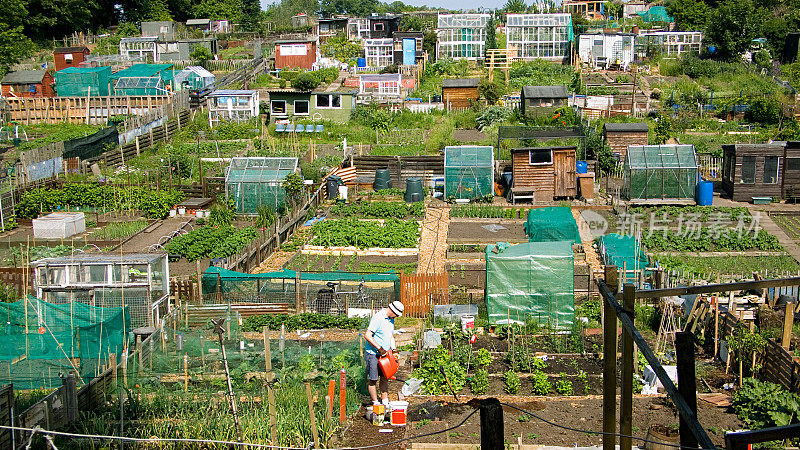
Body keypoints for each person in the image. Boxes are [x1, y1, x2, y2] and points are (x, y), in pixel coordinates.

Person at [364, 300, 404, 407]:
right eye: (396, 314)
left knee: (385, 377)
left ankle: (385, 401)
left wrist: (394, 349)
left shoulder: (391, 319)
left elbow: (390, 335)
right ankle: (375, 402)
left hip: (385, 355)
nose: (396, 317)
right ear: (392, 310)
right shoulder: (378, 317)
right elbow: (368, 335)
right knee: (373, 379)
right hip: (373, 354)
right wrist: (379, 348)